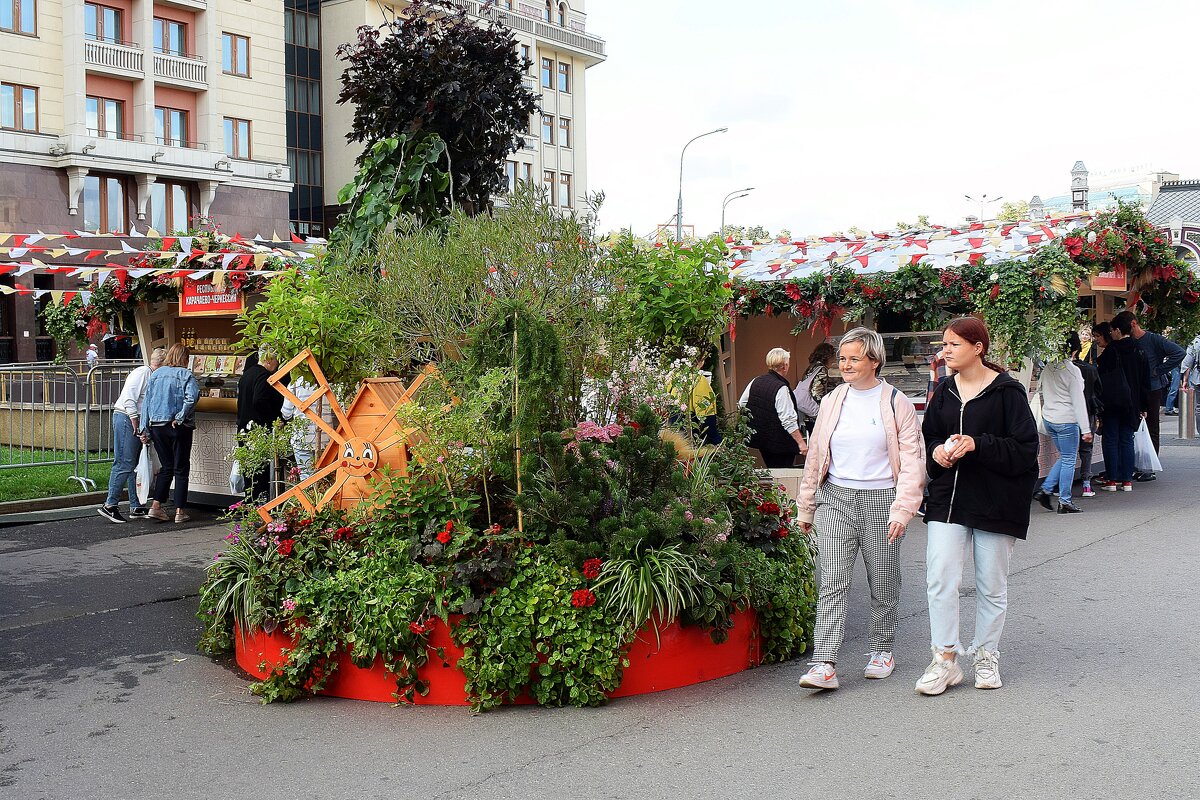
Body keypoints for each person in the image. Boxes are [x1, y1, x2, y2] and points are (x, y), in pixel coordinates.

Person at [794, 328, 925, 690]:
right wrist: (806, 507)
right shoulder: (834, 399)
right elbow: (817, 455)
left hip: (882, 500)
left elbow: (913, 459)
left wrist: (903, 509)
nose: (846, 365)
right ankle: (824, 663)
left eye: (854, 358)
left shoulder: (896, 401)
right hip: (835, 498)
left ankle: (882, 649)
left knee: (883, 582)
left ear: (874, 361)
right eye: (843, 358)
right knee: (832, 581)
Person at [917, 317, 1039, 695]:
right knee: (940, 580)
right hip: (948, 501)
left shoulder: (1008, 392)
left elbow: (1025, 451)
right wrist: (939, 451)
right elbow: (930, 436)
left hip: (995, 501)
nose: (945, 351)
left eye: (953, 344)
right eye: (944, 344)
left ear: (977, 347)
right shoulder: (943, 391)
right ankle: (945, 660)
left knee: (991, 584)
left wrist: (978, 444)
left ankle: (986, 655)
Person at [1111, 310, 1184, 479]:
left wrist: (1158, 370)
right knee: (1133, 426)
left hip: (1152, 388)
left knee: (1151, 426)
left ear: (1133, 324)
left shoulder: (1153, 340)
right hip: (1133, 389)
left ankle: (1149, 466)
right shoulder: (1129, 342)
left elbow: (1179, 353)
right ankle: (1135, 463)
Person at [97, 347, 166, 523]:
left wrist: (142, 427)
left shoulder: (151, 375)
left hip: (132, 419)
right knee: (125, 462)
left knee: (133, 463)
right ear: (163, 364)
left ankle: (136, 505)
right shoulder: (143, 372)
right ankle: (110, 504)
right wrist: (137, 423)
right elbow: (129, 398)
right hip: (126, 418)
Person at [1032, 333, 1092, 514]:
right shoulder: (1072, 371)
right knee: (1069, 459)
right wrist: (1086, 428)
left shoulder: (1048, 367)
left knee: (1065, 456)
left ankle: (1046, 489)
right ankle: (1064, 500)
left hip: (1050, 419)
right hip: (1067, 420)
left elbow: (1041, 390)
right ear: (1074, 350)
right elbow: (1078, 401)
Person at [141, 344, 199, 523]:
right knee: (181, 468)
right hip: (177, 426)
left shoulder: (156, 374)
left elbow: (147, 402)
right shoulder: (186, 375)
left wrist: (145, 428)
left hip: (157, 425)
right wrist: (180, 417)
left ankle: (156, 506)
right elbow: (192, 397)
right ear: (184, 359)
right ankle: (180, 511)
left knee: (166, 466)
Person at [1093, 321, 1149, 493]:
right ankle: (1127, 480)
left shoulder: (1111, 350)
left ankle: (1112, 479)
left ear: (1117, 331)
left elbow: (1100, 378)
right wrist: (1143, 405)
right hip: (1132, 403)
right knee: (1126, 439)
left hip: (1112, 402)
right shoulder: (1140, 349)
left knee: (1110, 439)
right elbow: (1145, 381)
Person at [738, 347, 809, 467]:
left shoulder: (756, 381)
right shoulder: (781, 388)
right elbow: (788, 419)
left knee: (772, 470)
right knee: (782, 474)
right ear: (785, 366)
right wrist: (801, 443)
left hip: (762, 440)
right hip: (780, 444)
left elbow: (741, 405)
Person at [237, 347, 286, 500]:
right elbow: (259, 400)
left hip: (243, 427)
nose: (277, 365)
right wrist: (274, 419)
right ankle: (261, 504)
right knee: (261, 472)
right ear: (270, 359)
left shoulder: (247, 375)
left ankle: (250, 502)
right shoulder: (264, 376)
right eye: (277, 360)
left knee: (249, 471)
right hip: (258, 429)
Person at [1072, 336, 1103, 498]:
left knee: (1067, 453)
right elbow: (1099, 391)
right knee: (1086, 449)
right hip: (1089, 411)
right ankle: (1086, 483)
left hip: (1068, 414)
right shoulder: (1090, 369)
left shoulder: (1058, 370)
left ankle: (1058, 486)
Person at [281, 373, 319, 481]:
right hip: (327, 439)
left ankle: (309, 497)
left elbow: (286, 413)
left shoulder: (295, 383)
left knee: (306, 478)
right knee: (326, 477)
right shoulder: (332, 382)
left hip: (302, 437)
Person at [794, 343, 836, 434]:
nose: (834, 359)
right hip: (814, 413)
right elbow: (817, 391)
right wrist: (824, 407)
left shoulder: (812, 367)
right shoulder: (822, 369)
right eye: (833, 356)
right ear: (827, 356)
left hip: (806, 412)